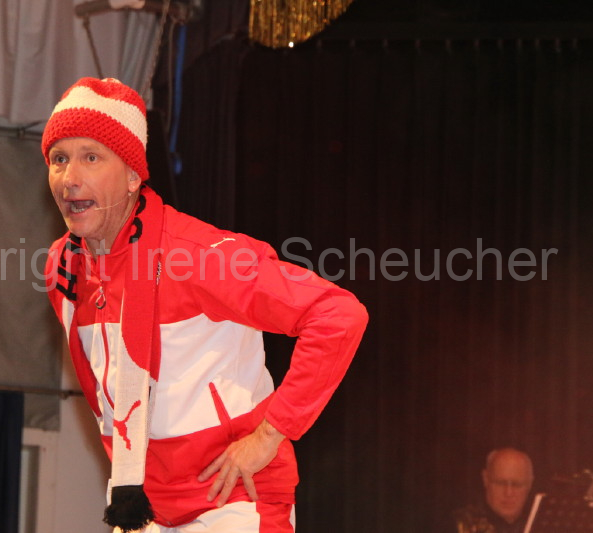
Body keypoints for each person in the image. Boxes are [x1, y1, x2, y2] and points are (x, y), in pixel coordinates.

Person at [41, 77, 368, 533]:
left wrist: (270, 435)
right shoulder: (63, 268)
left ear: (133, 176)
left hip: (234, 501)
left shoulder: (196, 257)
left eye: (91, 157)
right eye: (59, 159)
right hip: (144, 505)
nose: (70, 178)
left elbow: (338, 315)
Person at [452, 447, 535, 533]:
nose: (508, 493)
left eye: (516, 484)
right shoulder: (460, 525)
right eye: (500, 483)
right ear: (485, 479)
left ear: (530, 484)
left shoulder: (540, 525)